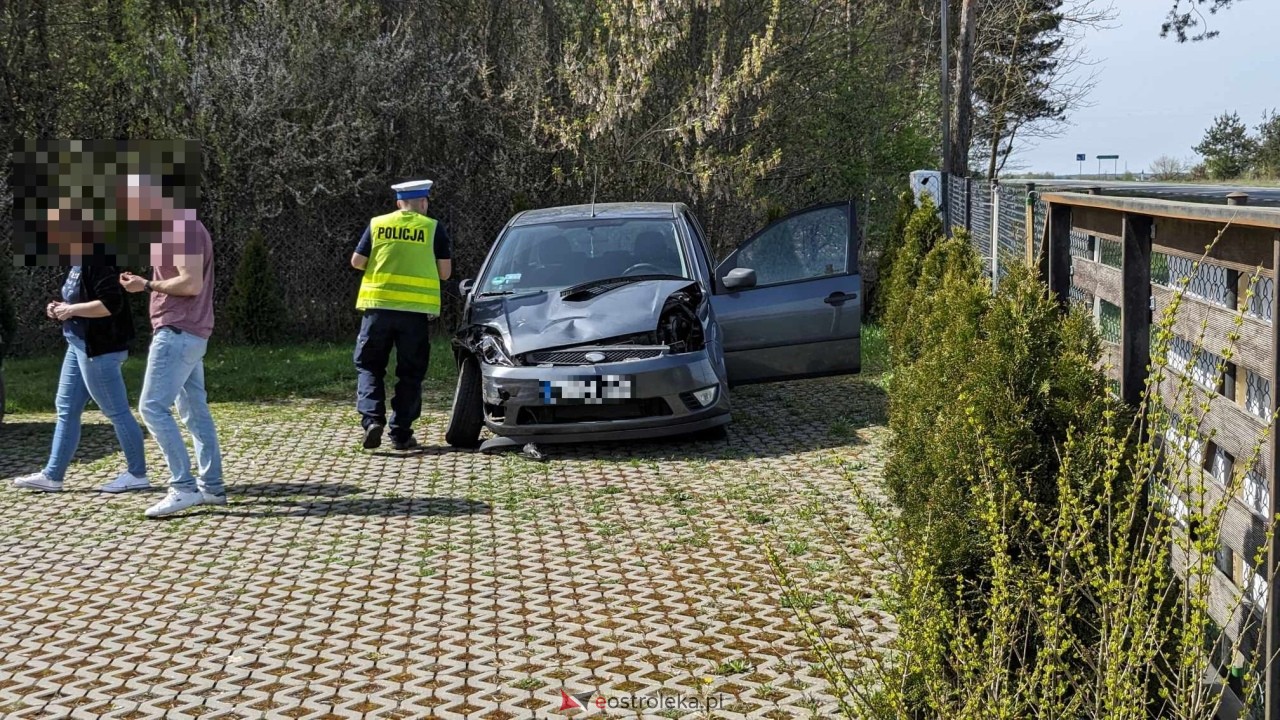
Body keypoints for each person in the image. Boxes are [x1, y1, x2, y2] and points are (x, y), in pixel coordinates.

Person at [12, 210, 149, 493]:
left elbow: (111, 304)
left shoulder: (99, 258)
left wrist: (70, 310)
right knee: (66, 409)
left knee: (116, 411)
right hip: (77, 345)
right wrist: (59, 308)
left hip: (98, 350)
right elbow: (77, 299)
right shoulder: (78, 261)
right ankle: (53, 476)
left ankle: (137, 474)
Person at [117, 174, 224, 518]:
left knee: (152, 407)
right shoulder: (174, 228)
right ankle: (212, 488)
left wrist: (145, 284)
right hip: (187, 332)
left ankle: (183, 487)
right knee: (194, 411)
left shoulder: (181, 228)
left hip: (178, 331)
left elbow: (190, 283)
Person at [351, 179, 452, 450]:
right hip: (414, 315)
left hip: (377, 309)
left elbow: (357, 262)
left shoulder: (378, 224)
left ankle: (372, 421)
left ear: (399, 203)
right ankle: (401, 433)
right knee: (411, 373)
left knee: (370, 366)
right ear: (423, 203)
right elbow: (445, 273)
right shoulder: (433, 228)